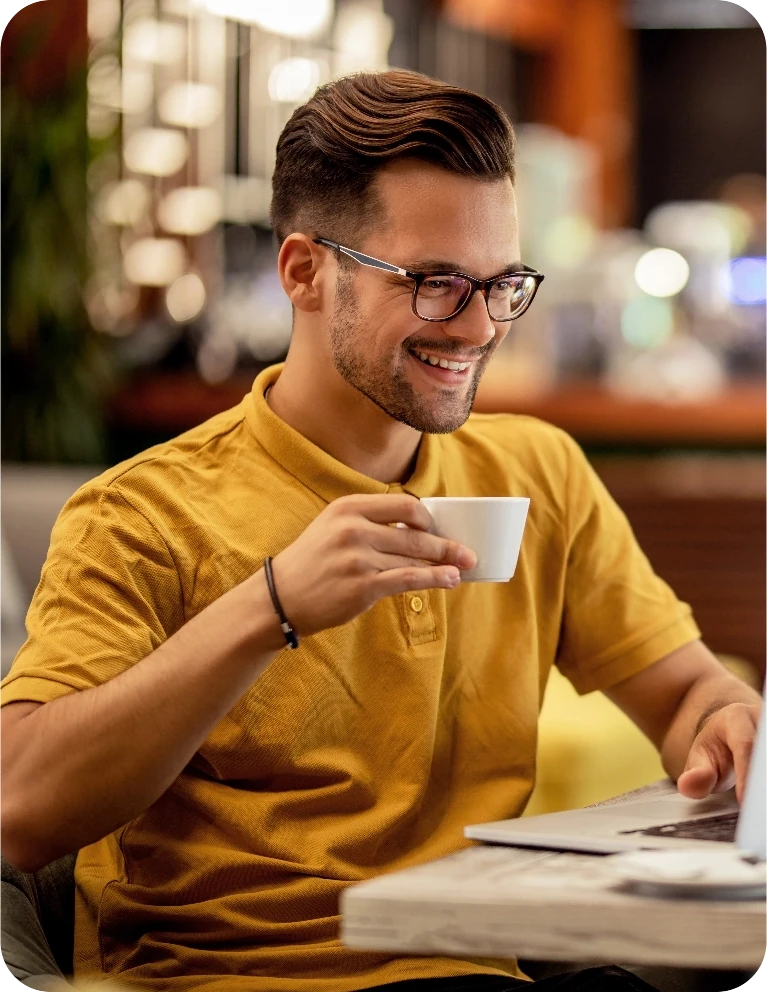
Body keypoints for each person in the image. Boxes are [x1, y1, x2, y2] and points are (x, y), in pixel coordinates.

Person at [1, 70, 761, 992]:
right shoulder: (142, 514)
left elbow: (683, 693)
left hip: (478, 966)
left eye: (501, 283)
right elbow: (20, 809)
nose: (479, 327)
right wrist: (269, 607)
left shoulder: (537, 471)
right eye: (436, 283)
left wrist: (723, 725)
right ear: (304, 271)